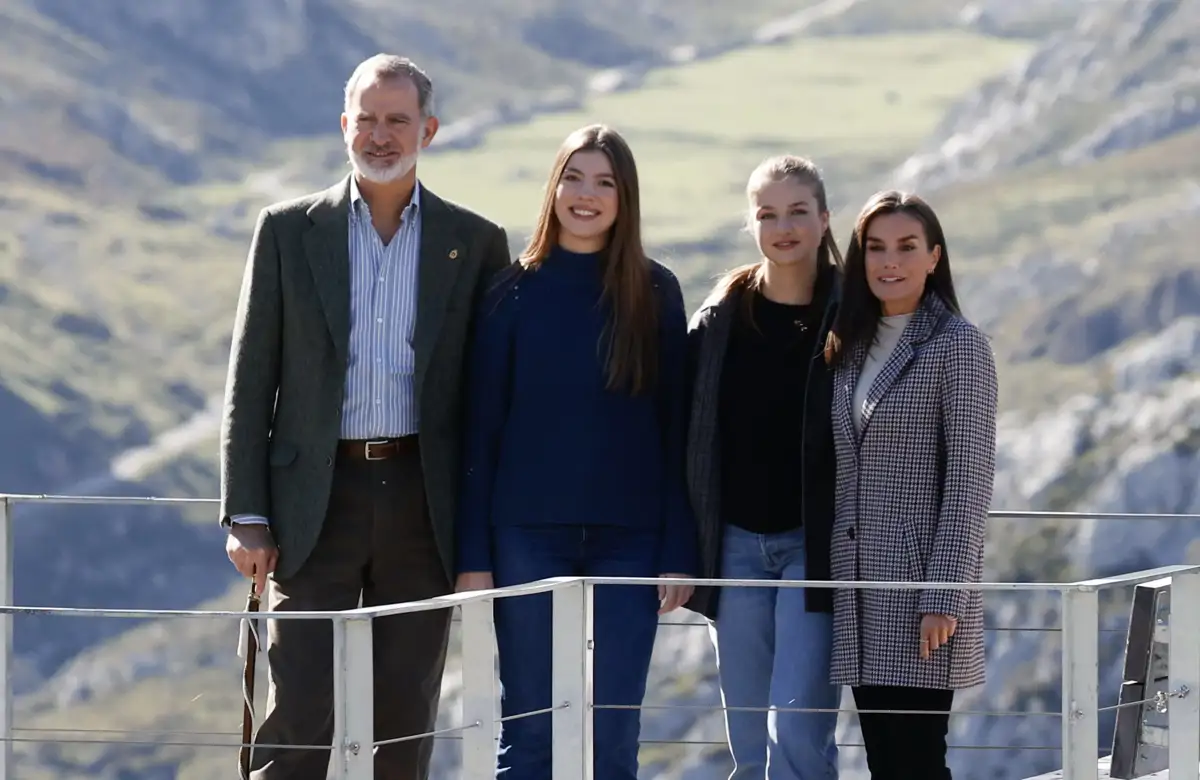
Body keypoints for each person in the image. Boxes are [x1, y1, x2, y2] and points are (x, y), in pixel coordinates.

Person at [219, 54, 512, 780]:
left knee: (406, 712)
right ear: (344, 124)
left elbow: (488, 398)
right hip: (311, 501)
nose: (381, 136)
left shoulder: (475, 243)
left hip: (422, 500)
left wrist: (483, 527)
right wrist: (246, 513)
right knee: (298, 705)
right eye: (368, 120)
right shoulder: (287, 231)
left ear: (428, 131)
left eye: (398, 121)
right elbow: (250, 380)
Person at [454, 123, 698, 780]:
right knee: (529, 734)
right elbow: (481, 432)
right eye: (574, 178)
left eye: (604, 182)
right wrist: (474, 558)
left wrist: (678, 548)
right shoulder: (509, 294)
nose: (586, 195)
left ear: (625, 197)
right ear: (553, 187)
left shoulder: (655, 292)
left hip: (632, 541)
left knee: (613, 736)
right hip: (526, 536)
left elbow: (676, 430)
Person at [825, 190, 997, 780]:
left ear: (934, 257)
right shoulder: (850, 343)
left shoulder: (959, 344)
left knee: (918, 761)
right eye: (875, 248)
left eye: (906, 247)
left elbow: (970, 480)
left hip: (920, 590)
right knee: (885, 762)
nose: (889, 261)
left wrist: (944, 595)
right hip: (858, 589)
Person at [684, 155, 843, 780]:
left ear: (824, 218)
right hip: (734, 548)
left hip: (816, 547)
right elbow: (685, 436)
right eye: (767, 214)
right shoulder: (719, 319)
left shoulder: (855, 313)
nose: (784, 227)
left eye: (798, 211)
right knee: (751, 746)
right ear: (750, 224)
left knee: (798, 733)